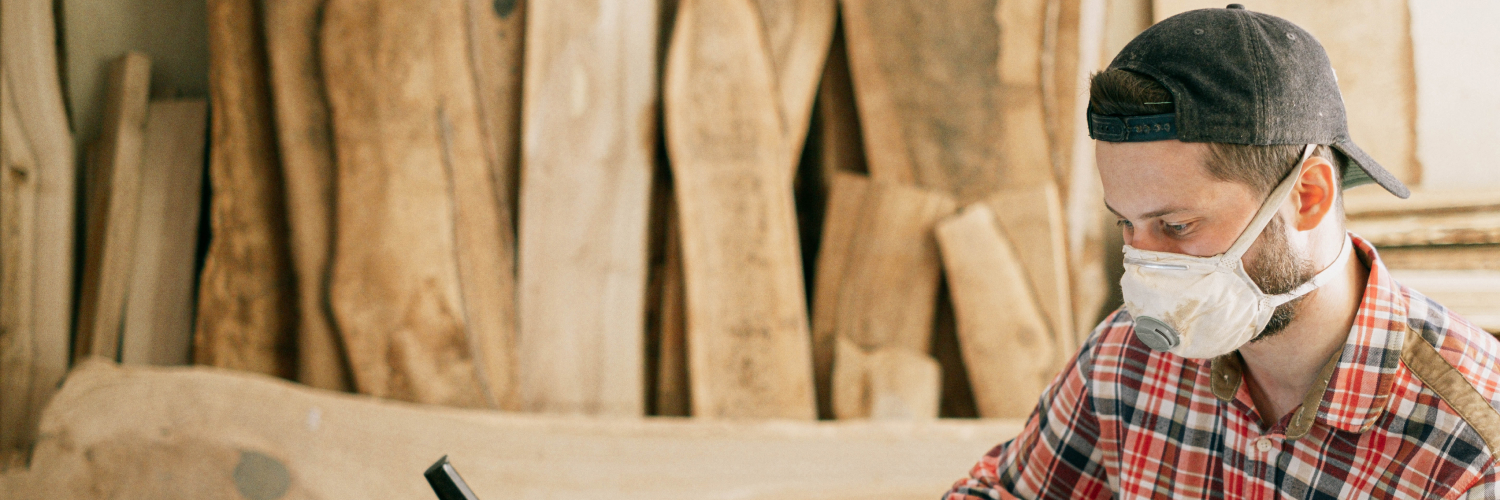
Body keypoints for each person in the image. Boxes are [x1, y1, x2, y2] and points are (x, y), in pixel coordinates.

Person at [944, 5, 1500, 498]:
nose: (1145, 266)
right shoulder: (1125, 358)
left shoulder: (1470, 454)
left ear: (1307, 196)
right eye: (1126, 224)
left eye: (1177, 225)